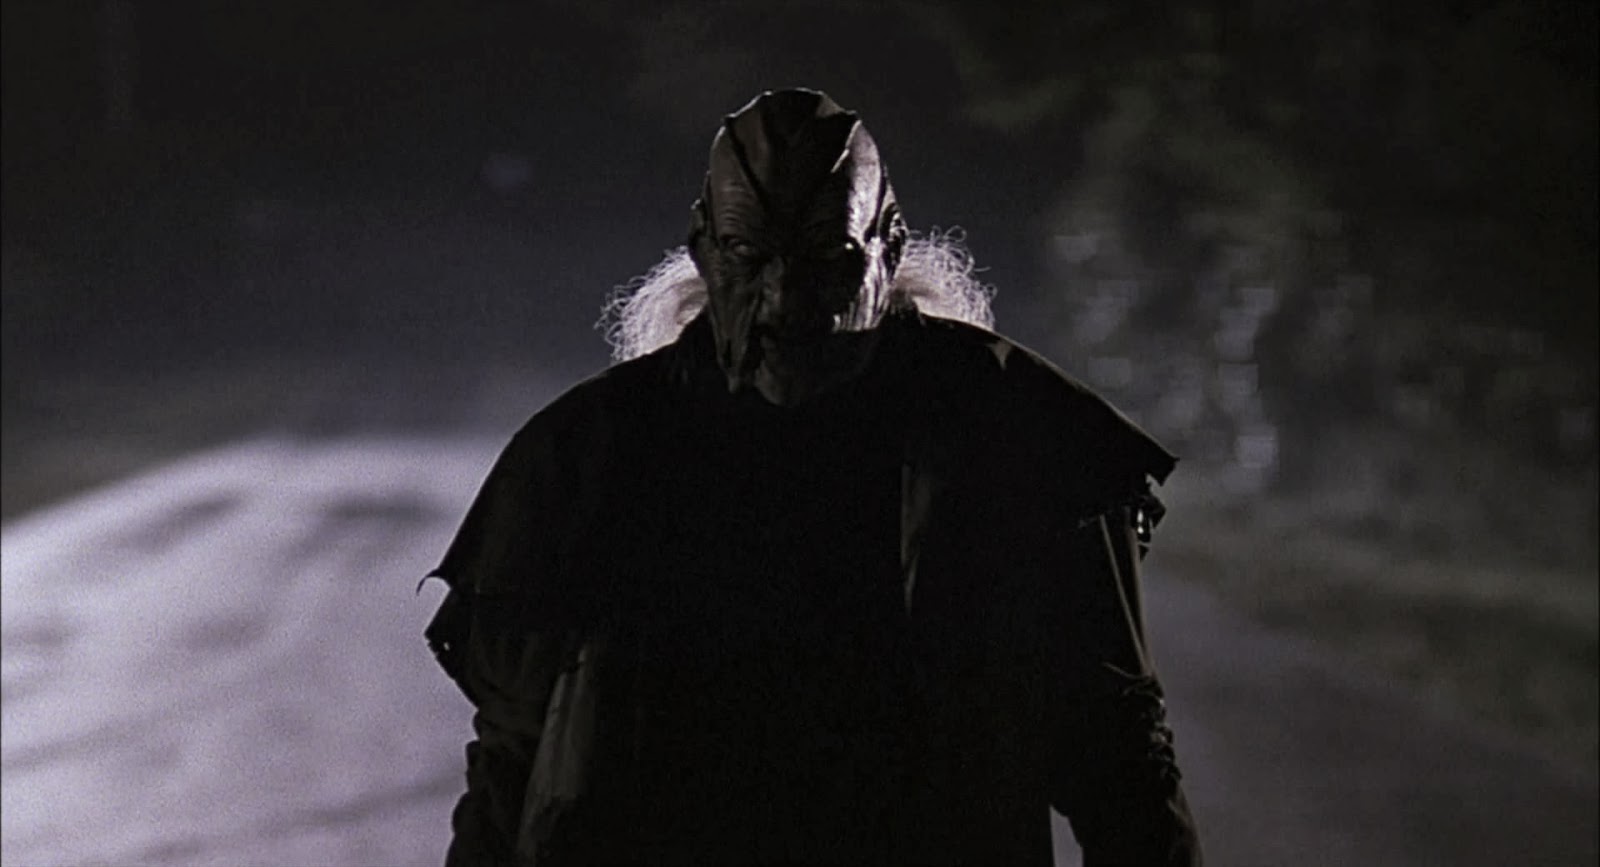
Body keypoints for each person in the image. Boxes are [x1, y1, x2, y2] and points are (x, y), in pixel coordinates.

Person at [423, 88, 1203, 866]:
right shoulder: (589, 454)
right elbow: (510, 763)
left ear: (887, 248)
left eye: (825, 259)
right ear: (705, 250)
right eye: (748, 255)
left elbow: (1121, 752)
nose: (784, 299)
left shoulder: (1013, 433)